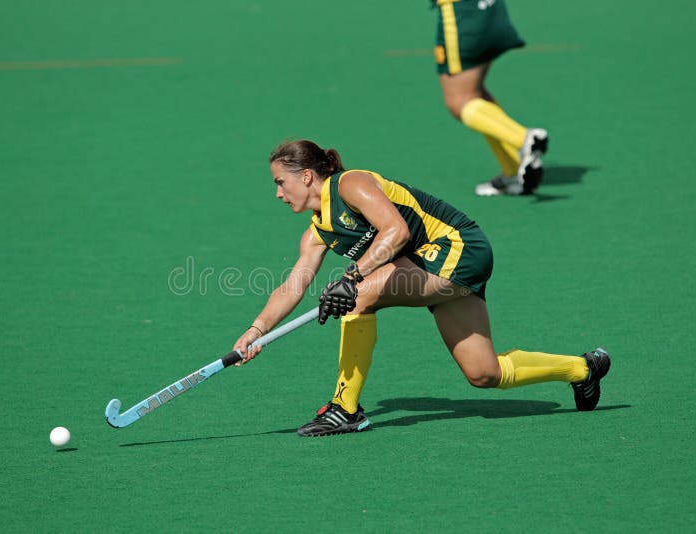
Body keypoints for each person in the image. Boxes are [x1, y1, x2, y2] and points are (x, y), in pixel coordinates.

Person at [233, 140, 610, 437]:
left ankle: (345, 408)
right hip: (427, 265)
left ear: (306, 176)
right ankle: (583, 368)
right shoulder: (317, 231)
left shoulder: (350, 184)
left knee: (358, 297)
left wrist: (351, 278)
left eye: (280, 182)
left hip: (458, 248)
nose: (278, 194)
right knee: (484, 373)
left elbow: (395, 231)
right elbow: (293, 284)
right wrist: (255, 332)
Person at [432, 0, 548, 196]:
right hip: (490, 9)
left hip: (462, 15)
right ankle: (513, 169)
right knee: (476, 95)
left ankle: (524, 139)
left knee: (459, 101)